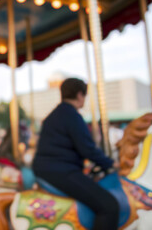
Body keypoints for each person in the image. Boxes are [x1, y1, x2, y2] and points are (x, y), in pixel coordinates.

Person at [32, 78, 119, 230]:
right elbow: (87, 149)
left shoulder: (53, 115)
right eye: (85, 96)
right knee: (109, 206)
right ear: (80, 95)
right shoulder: (72, 116)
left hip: (49, 169)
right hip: (60, 171)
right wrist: (111, 163)